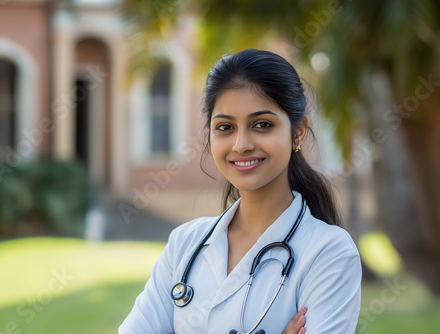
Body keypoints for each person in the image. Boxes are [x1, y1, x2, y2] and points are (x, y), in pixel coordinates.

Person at [119, 49, 361, 334]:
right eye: (225, 127)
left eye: (262, 125)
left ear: (298, 132)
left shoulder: (329, 252)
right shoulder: (184, 244)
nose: (241, 144)